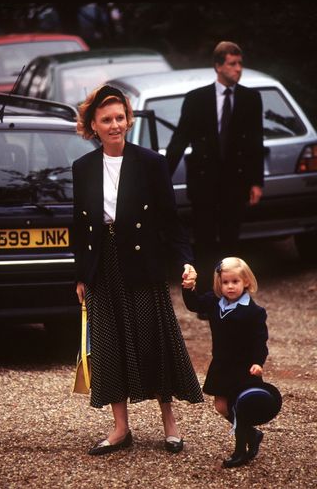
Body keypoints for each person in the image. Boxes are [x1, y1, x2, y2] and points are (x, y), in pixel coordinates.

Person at [72, 84, 204, 456]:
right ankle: (120, 428)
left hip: (142, 261)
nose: (115, 125)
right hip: (103, 264)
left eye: (120, 118)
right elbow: (79, 226)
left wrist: (185, 261)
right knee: (110, 345)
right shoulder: (82, 168)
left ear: (128, 120)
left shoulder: (151, 162)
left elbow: (169, 219)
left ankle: (170, 425)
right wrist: (82, 274)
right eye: (106, 120)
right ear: (93, 125)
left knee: (154, 339)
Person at [166, 41, 264, 292]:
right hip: (204, 182)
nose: (238, 69)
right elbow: (180, 139)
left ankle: (232, 295)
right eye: (232, 64)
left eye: (240, 64)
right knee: (205, 240)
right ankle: (206, 295)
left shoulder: (250, 99)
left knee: (231, 239)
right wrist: (162, 176)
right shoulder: (197, 99)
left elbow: (255, 142)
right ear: (218, 66)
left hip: (235, 181)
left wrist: (256, 182)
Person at [182, 257, 275, 468]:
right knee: (221, 406)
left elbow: (260, 341)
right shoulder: (215, 303)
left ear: (246, 283)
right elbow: (194, 304)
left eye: (235, 282)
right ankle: (252, 434)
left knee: (239, 408)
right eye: (225, 282)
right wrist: (188, 288)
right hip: (222, 365)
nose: (230, 286)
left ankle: (240, 450)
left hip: (244, 368)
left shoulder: (254, 312)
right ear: (219, 284)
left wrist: (258, 362)